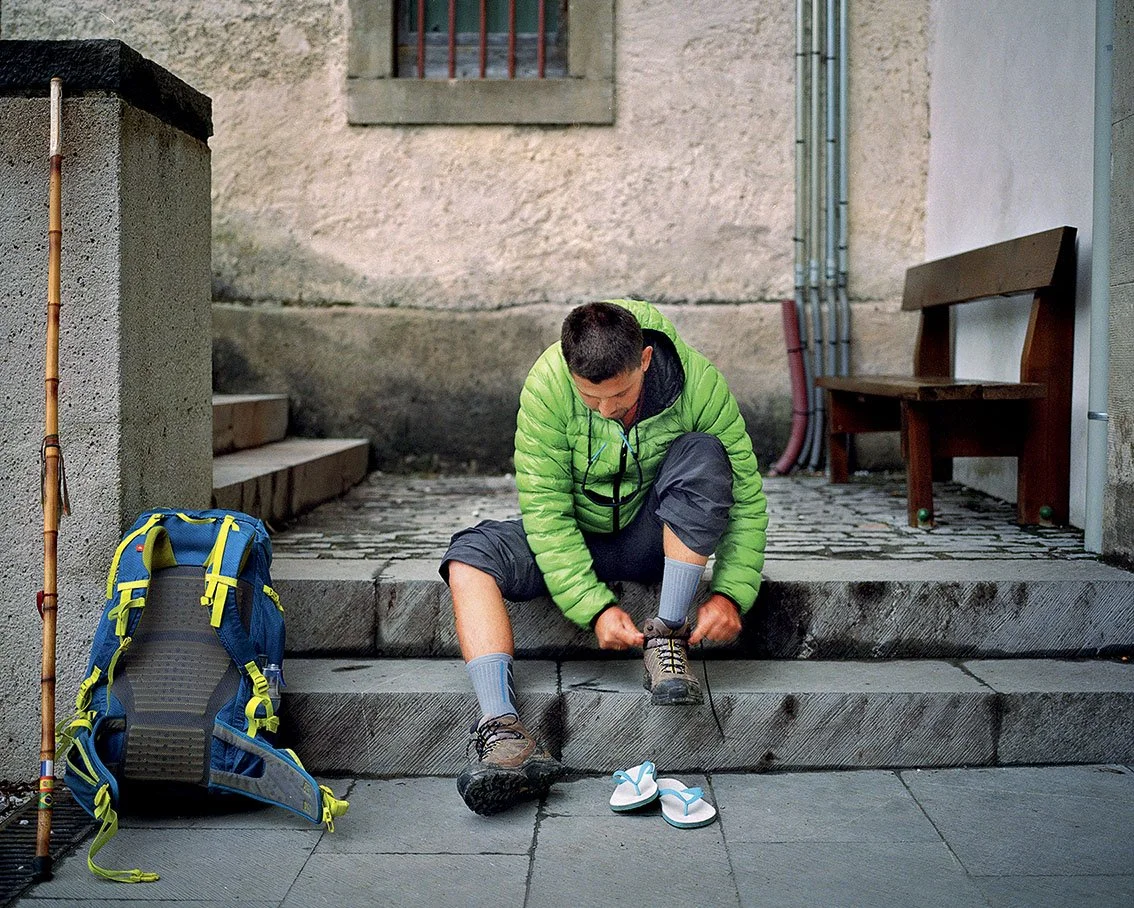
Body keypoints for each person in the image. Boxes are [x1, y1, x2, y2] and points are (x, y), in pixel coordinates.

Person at [439, 298, 768, 815]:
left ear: (644, 360)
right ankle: (502, 732)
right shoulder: (548, 386)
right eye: (590, 399)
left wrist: (730, 592)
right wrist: (593, 606)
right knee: (468, 556)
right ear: (571, 373)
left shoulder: (697, 382)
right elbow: (545, 511)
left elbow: (745, 495)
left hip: (652, 535)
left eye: (619, 395)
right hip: (577, 536)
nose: (607, 410)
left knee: (705, 452)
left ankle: (666, 636)